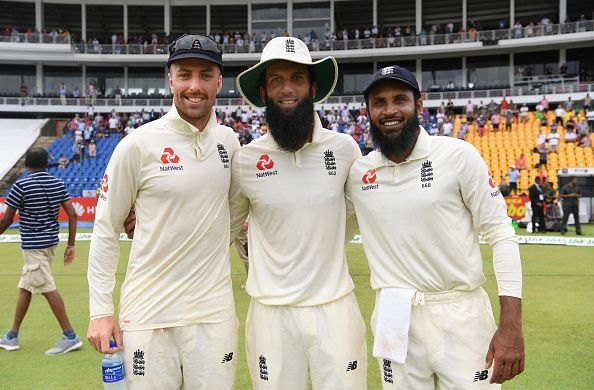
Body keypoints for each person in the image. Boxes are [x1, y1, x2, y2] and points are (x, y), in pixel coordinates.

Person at [347, 66, 524, 388]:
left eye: (399, 99)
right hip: (393, 313)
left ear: (419, 104)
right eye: (379, 102)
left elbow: (501, 234)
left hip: (460, 311)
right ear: (368, 111)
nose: (389, 110)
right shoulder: (359, 172)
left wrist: (511, 326)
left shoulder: (457, 155)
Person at [87, 34, 240, 389]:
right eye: (185, 74)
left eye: (205, 75)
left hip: (213, 316)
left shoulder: (229, 143)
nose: (194, 86)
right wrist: (100, 312)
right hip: (148, 316)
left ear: (220, 81)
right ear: (170, 79)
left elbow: (238, 216)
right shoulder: (138, 144)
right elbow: (106, 228)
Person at [229, 37, 367, 389]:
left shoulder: (345, 149)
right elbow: (225, 226)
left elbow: (365, 210)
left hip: (334, 308)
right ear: (263, 92)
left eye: (297, 78)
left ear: (313, 87)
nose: (287, 89)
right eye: (275, 80)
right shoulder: (246, 159)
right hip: (270, 315)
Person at [0, 147, 82, 355]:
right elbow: (72, 215)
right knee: (26, 287)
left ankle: (70, 335)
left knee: (46, 288)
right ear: (47, 164)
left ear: (27, 164)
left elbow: (7, 219)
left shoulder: (21, 185)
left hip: (33, 246)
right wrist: (70, 245)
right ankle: (12, 335)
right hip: (49, 245)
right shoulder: (58, 183)